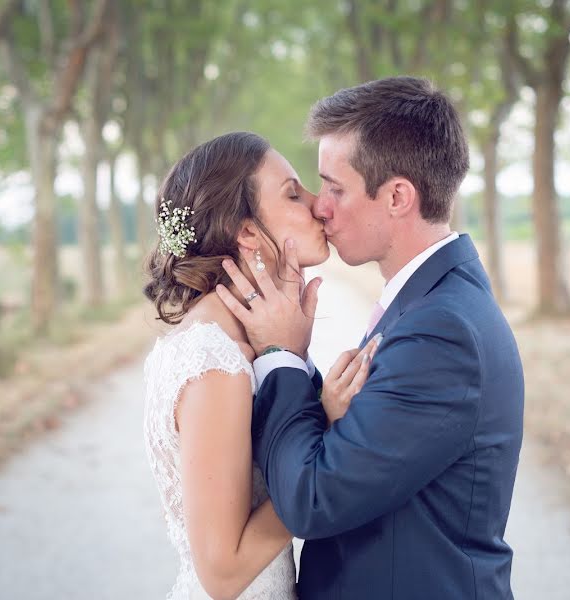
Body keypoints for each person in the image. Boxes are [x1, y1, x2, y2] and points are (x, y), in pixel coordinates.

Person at [216, 77, 525, 599]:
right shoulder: (431, 301)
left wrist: (282, 356)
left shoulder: (442, 331)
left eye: (336, 188)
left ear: (398, 196)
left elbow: (312, 499)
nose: (320, 207)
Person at [142, 131, 377, 599]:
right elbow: (223, 573)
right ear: (247, 231)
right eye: (293, 192)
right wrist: (326, 438)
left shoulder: (236, 338)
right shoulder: (217, 364)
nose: (318, 204)